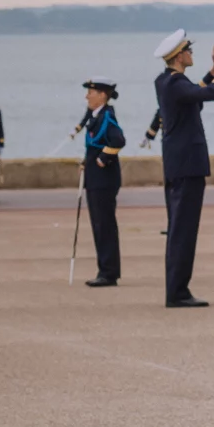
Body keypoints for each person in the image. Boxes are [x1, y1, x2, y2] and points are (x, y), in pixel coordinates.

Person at [153, 29, 214, 308]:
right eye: (188, 50)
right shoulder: (175, 84)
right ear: (179, 56)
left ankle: (177, 289)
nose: (191, 54)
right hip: (187, 166)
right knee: (183, 231)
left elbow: (194, 93)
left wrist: (212, 70)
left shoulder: (166, 81)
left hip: (179, 164)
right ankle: (177, 292)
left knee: (179, 229)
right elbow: (209, 94)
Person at [79, 78, 127, 287]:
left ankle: (108, 272)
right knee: (98, 225)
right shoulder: (96, 116)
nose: (87, 96)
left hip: (104, 179)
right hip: (95, 179)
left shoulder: (107, 116)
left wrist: (102, 159)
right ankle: (105, 269)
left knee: (105, 225)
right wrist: (87, 160)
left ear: (102, 95)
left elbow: (118, 140)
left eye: (91, 93)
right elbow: (94, 144)